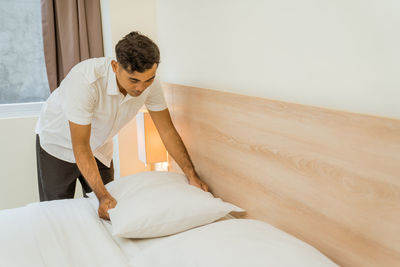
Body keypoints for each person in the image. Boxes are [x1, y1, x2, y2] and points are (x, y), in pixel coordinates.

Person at [35, 31, 209, 220]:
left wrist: (192, 175)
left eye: (148, 80)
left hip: (100, 147)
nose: (141, 88)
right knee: (57, 214)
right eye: (133, 80)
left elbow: (166, 130)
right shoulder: (86, 81)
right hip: (58, 144)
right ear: (115, 66)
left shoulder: (150, 84)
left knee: (109, 210)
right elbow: (81, 145)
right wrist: (102, 197)